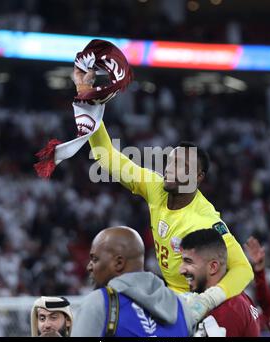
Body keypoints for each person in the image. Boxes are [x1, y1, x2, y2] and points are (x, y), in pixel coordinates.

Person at [73, 68, 254, 322]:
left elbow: (244, 269)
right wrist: (88, 103)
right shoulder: (155, 187)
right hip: (170, 299)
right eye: (170, 161)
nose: (170, 169)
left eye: (182, 166)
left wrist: (208, 300)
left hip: (207, 309)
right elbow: (108, 158)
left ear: (198, 178)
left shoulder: (203, 221)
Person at [71, 226, 195, 337]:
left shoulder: (98, 303)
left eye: (95, 259)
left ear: (119, 263)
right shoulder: (181, 306)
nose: (89, 266)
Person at [179, 228, 260, 337]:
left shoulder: (226, 312)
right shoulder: (237, 295)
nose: (181, 270)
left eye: (189, 262)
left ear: (213, 267)